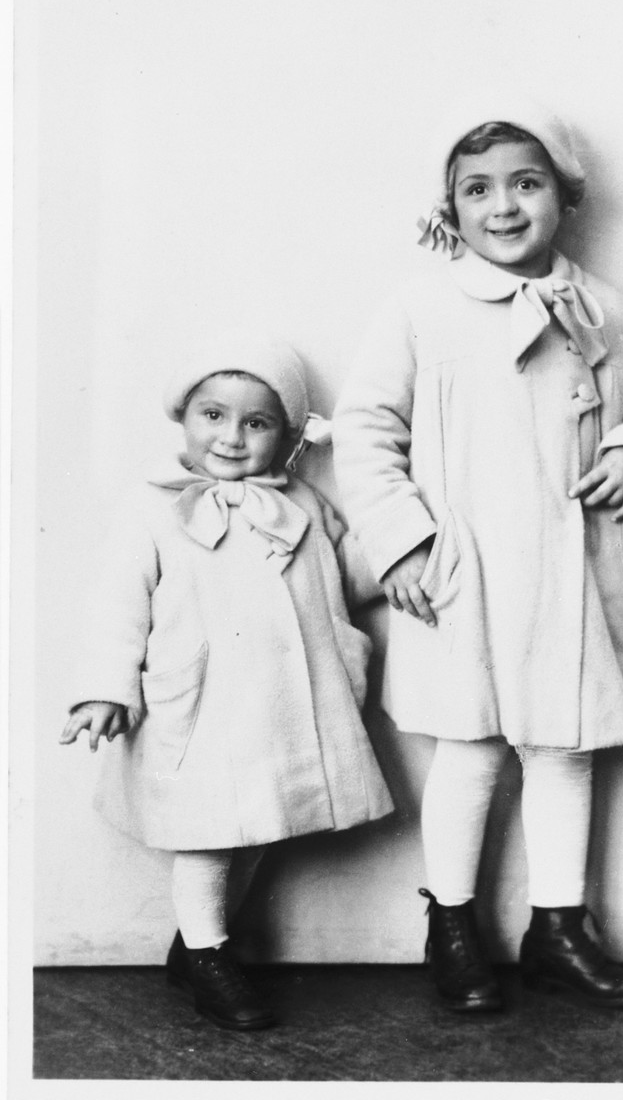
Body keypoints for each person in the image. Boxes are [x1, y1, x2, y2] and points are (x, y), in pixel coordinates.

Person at [332, 98, 623, 1014]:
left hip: (574, 570)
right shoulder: (423, 308)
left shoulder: (610, 311)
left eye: (526, 183)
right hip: (461, 570)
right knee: (467, 750)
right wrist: (404, 542)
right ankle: (453, 925)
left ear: (565, 196)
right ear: (450, 210)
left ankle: (558, 927)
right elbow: (364, 427)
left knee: (562, 747)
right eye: (478, 190)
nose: (504, 207)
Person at [60, 330, 393, 1030]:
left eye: (257, 422)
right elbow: (117, 603)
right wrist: (105, 687)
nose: (233, 438)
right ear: (183, 416)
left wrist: (398, 531)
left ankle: (196, 945)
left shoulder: (303, 503)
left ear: (290, 435)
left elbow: (355, 575)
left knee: (262, 826)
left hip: (287, 709)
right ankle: (209, 954)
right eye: (214, 415)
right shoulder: (154, 507)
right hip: (205, 706)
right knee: (210, 831)